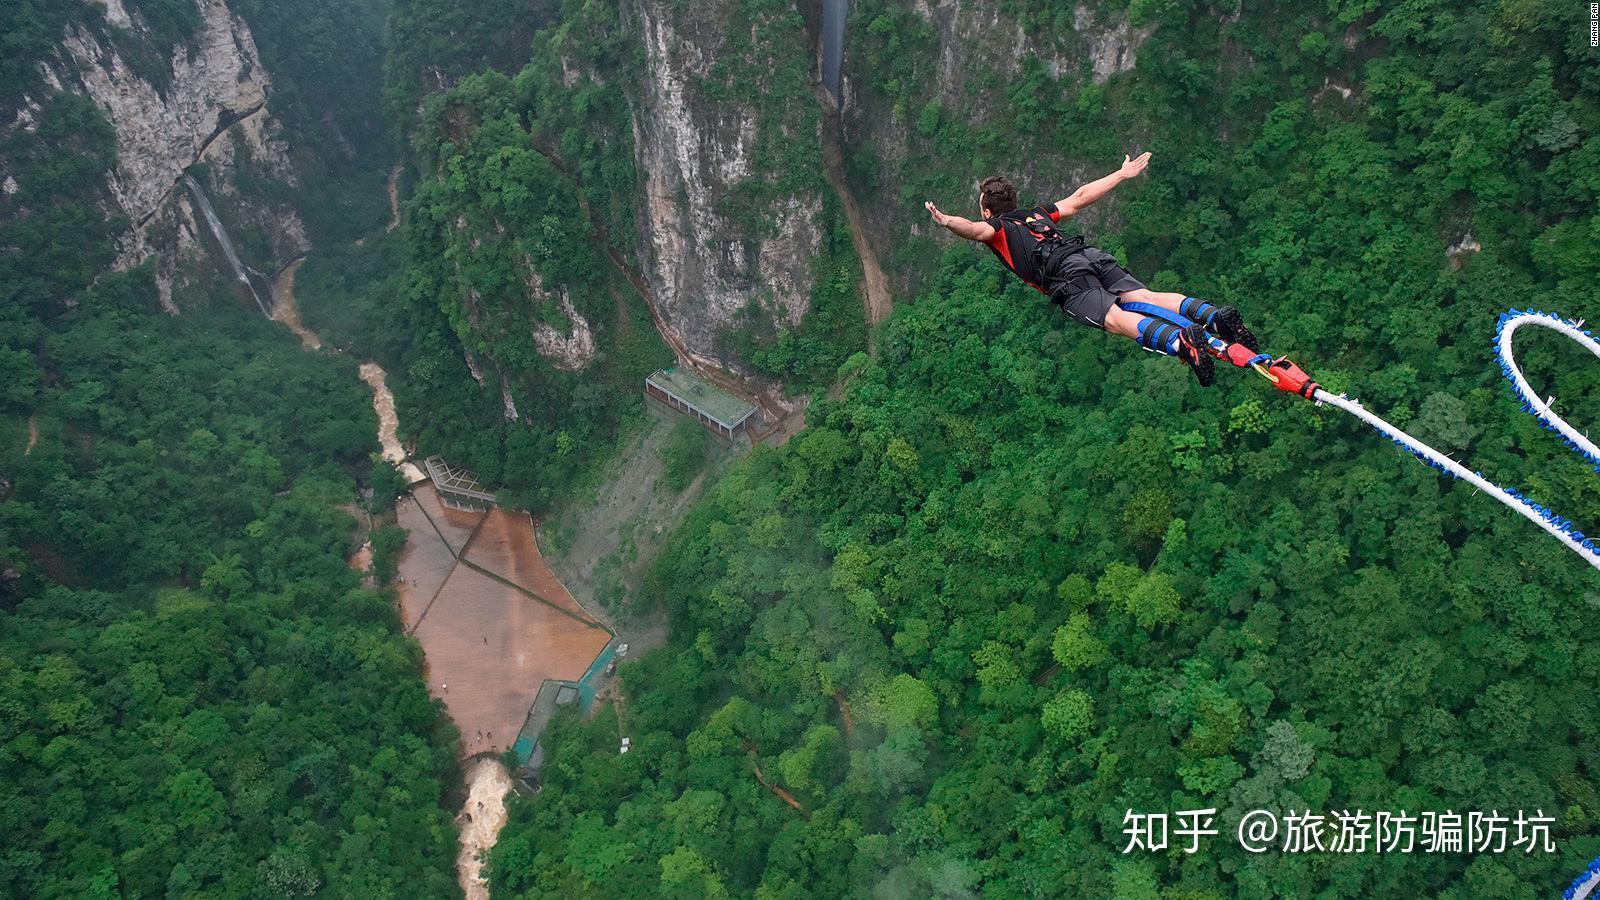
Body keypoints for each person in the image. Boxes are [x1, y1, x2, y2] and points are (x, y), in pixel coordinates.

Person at [924, 152, 1257, 386]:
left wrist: (945, 222)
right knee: (1142, 295)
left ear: (987, 211)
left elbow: (972, 230)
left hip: (1064, 276)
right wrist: (1121, 174)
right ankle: (1213, 316)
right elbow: (1080, 197)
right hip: (1087, 254)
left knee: (1114, 320)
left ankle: (1180, 340)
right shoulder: (1038, 214)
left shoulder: (996, 230)